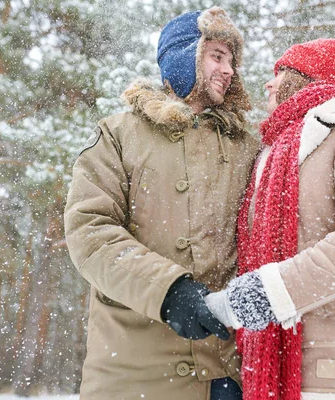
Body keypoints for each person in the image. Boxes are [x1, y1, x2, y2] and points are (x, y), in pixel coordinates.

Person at [64, 6, 258, 400]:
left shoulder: (248, 147)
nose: (229, 70)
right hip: (133, 375)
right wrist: (167, 290)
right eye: (216, 56)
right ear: (185, 57)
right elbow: (90, 231)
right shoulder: (119, 134)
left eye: (231, 60)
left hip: (226, 375)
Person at [205, 39, 335, 400]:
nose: (269, 82)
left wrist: (265, 293)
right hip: (275, 374)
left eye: (280, 72)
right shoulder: (274, 151)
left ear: (305, 76)